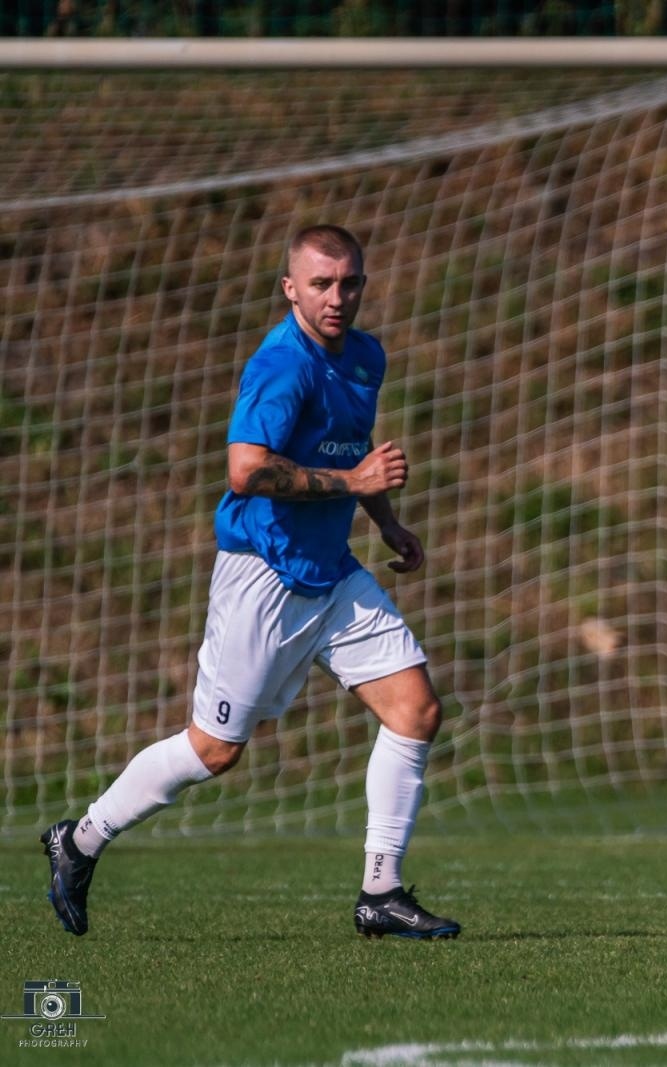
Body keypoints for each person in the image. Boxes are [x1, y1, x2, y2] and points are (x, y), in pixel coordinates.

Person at [41, 224, 460, 940]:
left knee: (416, 710)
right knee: (214, 751)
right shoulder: (282, 365)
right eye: (322, 284)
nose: (338, 296)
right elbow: (245, 468)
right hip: (263, 576)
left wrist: (383, 519)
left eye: (350, 281)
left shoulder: (364, 354)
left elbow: (350, 453)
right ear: (290, 288)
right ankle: (78, 839)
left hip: (332, 574)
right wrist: (354, 482)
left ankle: (380, 891)